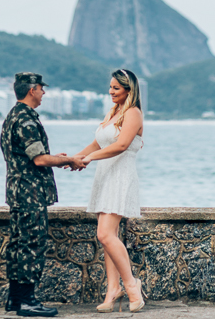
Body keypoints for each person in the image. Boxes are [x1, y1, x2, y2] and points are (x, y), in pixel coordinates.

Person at [0, 72, 86, 318]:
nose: (43, 93)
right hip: (30, 193)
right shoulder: (26, 119)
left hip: (18, 190)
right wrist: (67, 159)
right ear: (31, 90)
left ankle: (15, 300)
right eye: (41, 88)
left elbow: (28, 156)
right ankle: (27, 301)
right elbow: (39, 159)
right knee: (31, 245)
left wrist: (57, 158)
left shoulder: (12, 116)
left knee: (18, 244)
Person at [76, 68, 145, 313]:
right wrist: (77, 157)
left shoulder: (133, 113)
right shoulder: (113, 112)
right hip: (104, 176)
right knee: (109, 238)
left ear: (129, 89)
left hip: (120, 177)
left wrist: (90, 158)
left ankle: (132, 286)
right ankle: (112, 290)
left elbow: (122, 145)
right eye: (110, 87)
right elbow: (99, 142)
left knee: (105, 234)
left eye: (116, 88)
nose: (111, 91)